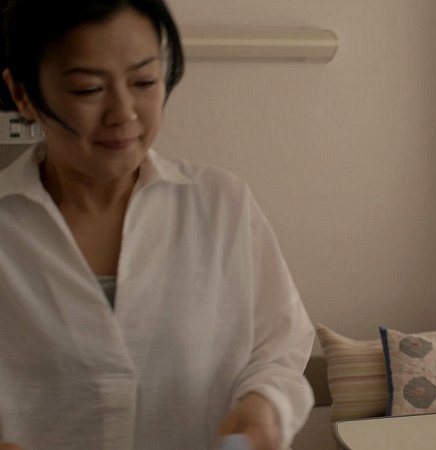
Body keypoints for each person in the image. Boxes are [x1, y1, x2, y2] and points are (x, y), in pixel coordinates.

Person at [0, 0, 315, 449]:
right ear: (22, 95)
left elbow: (279, 347)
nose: (124, 113)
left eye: (144, 81)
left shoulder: (220, 206)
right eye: (88, 89)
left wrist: (264, 406)